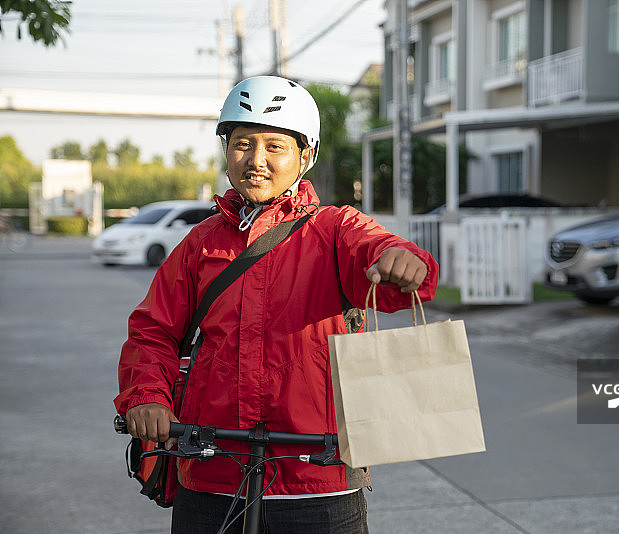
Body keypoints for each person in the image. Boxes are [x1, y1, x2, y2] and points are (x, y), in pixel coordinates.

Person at [114, 75, 438, 533]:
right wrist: (148, 398)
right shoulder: (200, 244)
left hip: (317, 481)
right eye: (242, 143)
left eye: (274, 146)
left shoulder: (336, 229)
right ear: (226, 150)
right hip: (211, 472)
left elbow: (376, 249)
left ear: (306, 156)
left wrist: (402, 260)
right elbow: (153, 331)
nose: (256, 160)